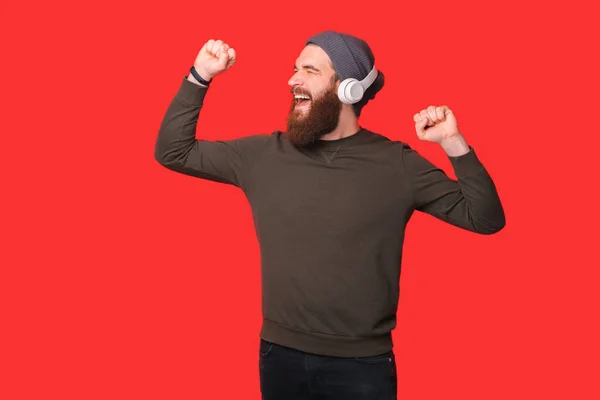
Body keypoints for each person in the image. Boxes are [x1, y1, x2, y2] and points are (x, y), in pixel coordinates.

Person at [154, 30, 506, 400]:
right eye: (294, 69)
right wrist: (200, 74)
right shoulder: (262, 155)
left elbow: (484, 219)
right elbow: (173, 152)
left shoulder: (396, 164)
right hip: (279, 355)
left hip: (361, 366)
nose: (293, 80)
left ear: (348, 88)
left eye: (310, 70)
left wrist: (453, 144)